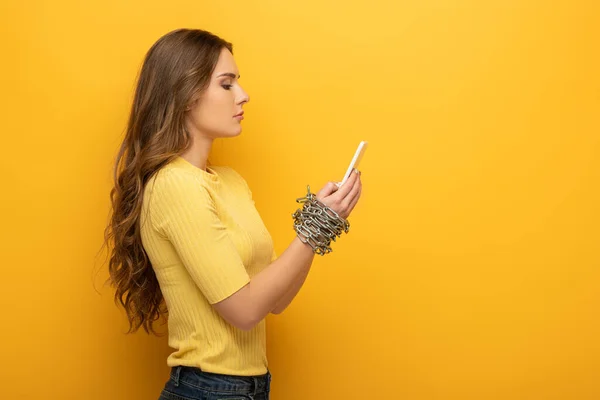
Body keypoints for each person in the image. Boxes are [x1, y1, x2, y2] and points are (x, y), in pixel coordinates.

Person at [103, 28, 363, 400]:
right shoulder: (174, 185)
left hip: (252, 389)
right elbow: (244, 310)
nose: (243, 95)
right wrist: (316, 228)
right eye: (227, 84)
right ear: (186, 96)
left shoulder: (230, 182)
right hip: (207, 390)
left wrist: (320, 222)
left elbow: (276, 300)